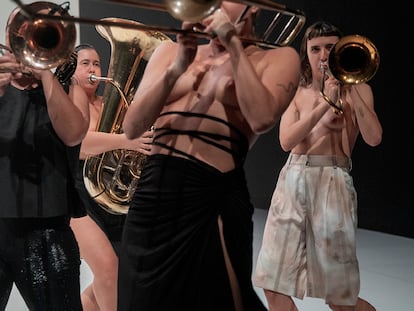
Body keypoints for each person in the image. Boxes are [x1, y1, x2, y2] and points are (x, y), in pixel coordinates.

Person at [120, 2, 301, 310]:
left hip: (212, 197)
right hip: (153, 196)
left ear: (253, 7)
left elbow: (261, 118)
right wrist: (177, 68)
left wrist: (232, 44)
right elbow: (132, 127)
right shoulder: (168, 52)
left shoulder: (278, 57)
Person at [253, 21, 382, 311]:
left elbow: (374, 138)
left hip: (334, 182)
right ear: (306, 53)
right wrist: (325, 102)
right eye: (315, 49)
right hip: (294, 178)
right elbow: (286, 141)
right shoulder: (296, 93)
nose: (323, 55)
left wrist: (352, 93)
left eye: (329, 48)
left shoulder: (360, 90)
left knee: (339, 297)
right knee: (272, 284)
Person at [0, 6, 89, 311]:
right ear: (10, 37)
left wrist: (45, 74)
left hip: (46, 230)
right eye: (20, 30)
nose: (28, 37)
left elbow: (74, 133)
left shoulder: (66, 86)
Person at [68, 44, 153, 311]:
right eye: (85, 64)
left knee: (125, 270)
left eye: (97, 63)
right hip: (77, 196)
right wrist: (126, 140)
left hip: (110, 195)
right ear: (71, 68)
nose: (93, 69)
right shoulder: (68, 103)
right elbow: (78, 144)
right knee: (108, 268)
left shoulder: (110, 104)